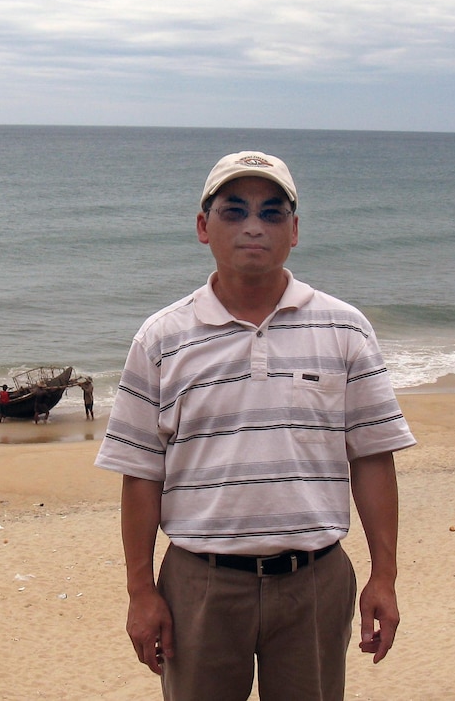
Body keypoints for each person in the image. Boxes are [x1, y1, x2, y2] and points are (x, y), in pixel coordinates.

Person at [95, 151, 416, 701]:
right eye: (233, 211)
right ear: (203, 227)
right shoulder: (160, 338)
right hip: (200, 586)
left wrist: (383, 576)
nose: (253, 227)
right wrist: (140, 591)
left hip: (315, 584)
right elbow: (140, 473)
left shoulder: (345, 329)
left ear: (294, 231)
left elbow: (372, 458)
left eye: (272, 214)